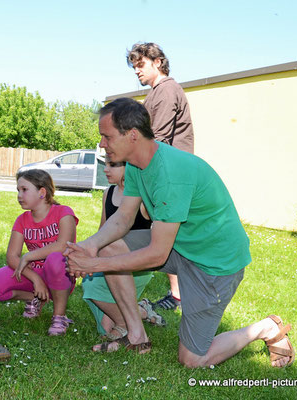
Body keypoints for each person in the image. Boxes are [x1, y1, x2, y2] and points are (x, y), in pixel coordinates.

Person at [65, 98, 294, 368]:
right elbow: (124, 218)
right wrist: (90, 247)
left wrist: (95, 264)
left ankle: (266, 328)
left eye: (107, 136)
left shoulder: (170, 174)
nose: (102, 143)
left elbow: (156, 254)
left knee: (193, 361)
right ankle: (136, 336)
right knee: (108, 246)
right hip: (179, 246)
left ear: (132, 135)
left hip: (213, 264)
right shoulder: (138, 163)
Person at [127, 42, 196, 311]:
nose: (137, 71)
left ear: (158, 62)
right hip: (164, 172)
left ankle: (180, 294)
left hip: (171, 175)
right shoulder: (155, 93)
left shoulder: (167, 91)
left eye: (140, 65)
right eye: (134, 67)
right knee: (164, 232)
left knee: (169, 233)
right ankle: (179, 291)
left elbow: (161, 140)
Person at [0, 169, 78, 336]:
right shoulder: (22, 220)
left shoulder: (64, 212)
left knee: (56, 258)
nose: (19, 195)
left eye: (24, 190)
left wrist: (28, 256)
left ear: (42, 192)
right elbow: (11, 257)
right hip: (34, 274)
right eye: (18, 190)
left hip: (61, 274)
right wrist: (36, 279)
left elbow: (63, 246)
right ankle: (34, 298)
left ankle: (59, 317)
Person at [82, 156, 165, 340]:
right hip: (110, 259)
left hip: (135, 266)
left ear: (130, 168)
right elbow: (102, 231)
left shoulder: (143, 197)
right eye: (106, 164)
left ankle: (125, 323)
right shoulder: (108, 193)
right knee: (104, 327)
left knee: (92, 286)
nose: (105, 169)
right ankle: (141, 312)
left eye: (112, 165)